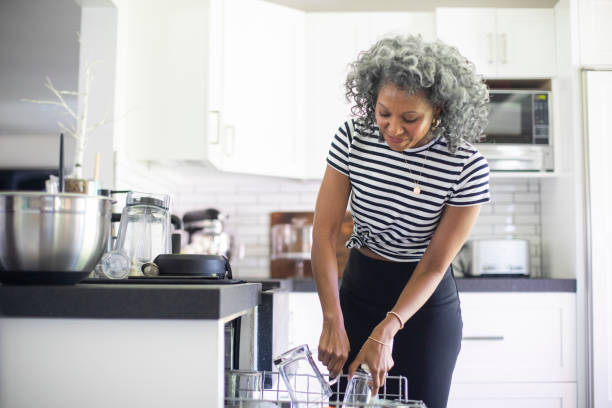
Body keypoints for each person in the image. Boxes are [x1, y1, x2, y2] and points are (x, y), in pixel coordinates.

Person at [311, 34, 490, 408]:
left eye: (410, 118)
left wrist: (387, 330)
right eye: (383, 113)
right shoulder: (352, 138)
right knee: (346, 403)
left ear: (439, 109)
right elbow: (324, 234)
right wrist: (332, 318)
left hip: (423, 304)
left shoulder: (466, 165)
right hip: (359, 290)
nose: (392, 129)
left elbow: (435, 263)